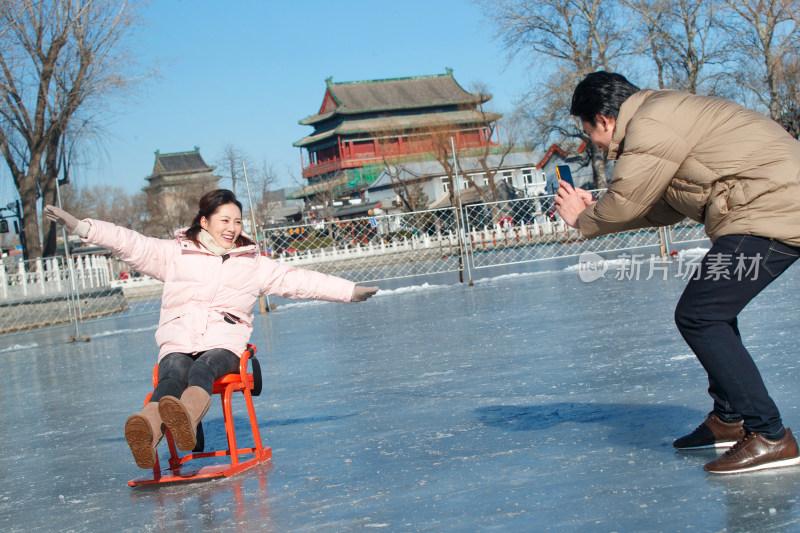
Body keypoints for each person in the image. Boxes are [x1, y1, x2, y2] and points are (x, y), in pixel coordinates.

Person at [555, 71, 800, 474]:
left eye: (588, 133)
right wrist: (597, 210)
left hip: (773, 207)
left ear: (603, 119)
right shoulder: (660, 114)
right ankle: (730, 416)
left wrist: (584, 218)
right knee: (713, 309)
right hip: (766, 204)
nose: (594, 145)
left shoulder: (649, 124)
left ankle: (770, 435)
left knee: (700, 314)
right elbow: (655, 207)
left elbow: (627, 201)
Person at [44, 189, 378, 469]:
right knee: (172, 375)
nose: (232, 228)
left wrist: (348, 292)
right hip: (179, 338)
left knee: (203, 368)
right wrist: (81, 227)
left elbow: (298, 280)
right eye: (224, 220)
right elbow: (130, 243)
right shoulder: (176, 253)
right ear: (204, 221)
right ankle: (146, 429)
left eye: (237, 221)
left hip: (225, 343)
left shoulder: (252, 264)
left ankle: (186, 419)